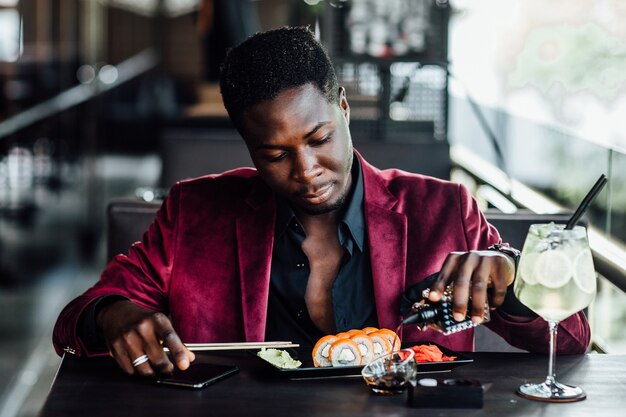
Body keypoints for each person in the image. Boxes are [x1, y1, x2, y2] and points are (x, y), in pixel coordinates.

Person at [53, 27, 590, 377]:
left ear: (344, 108)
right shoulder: (195, 211)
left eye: (318, 139)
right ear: (248, 148)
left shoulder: (444, 209)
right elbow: (78, 319)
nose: (307, 173)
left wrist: (511, 279)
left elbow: (569, 340)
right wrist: (114, 315)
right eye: (274, 155)